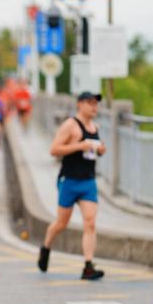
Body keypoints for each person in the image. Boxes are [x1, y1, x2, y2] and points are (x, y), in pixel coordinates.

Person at [37, 91, 106, 281]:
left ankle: (88, 266)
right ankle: (46, 248)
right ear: (80, 104)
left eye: (96, 104)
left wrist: (100, 150)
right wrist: (78, 146)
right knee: (61, 223)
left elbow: (94, 150)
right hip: (69, 180)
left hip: (88, 181)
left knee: (90, 222)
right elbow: (54, 149)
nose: (94, 107)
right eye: (90, 103)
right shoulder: (70, 125)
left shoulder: (95, 126)